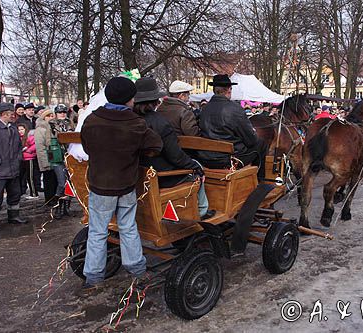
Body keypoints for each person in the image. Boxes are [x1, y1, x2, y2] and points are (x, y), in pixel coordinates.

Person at [80, 76, 163, 292]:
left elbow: (87, 147)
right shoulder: (136, 123)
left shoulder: (92, 119)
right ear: (129, 100)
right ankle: (137, 271)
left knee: (97, 231)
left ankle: (93, 277)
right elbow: (156, 145)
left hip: (100, 185)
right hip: (126, 185)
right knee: (128, 227)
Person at [134, 77, 215, 220]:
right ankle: (202, 210)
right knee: (198, 168)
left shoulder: (130, 118)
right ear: (154, 101)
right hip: (160, 175)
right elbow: (175, 156)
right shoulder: (159, 122)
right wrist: (194, 166)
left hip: (139, 172)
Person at [198, 74, 268, 180]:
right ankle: (259, 181)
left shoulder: (204, 109)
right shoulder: (235, 109)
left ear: (214, 90)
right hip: (227, 159)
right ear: (229, 90)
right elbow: (251, 141)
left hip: (206, 158)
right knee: (261, 143)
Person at [0, 103, 28, 233]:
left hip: (13, 169)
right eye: (11, 113)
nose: (13, 115)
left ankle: (14, 216)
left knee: (15, 194)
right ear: (4, 114)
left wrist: (18, 158)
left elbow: (18, 147)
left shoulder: (13, 129)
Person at [35, 109, 58, 205]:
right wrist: (45, 162)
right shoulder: (40, 129)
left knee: (54, 179)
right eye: (48, 116)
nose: (51, 118)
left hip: (55, 157)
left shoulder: (53, 128)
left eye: (52, 115)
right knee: (48, 180)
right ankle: (49, 199)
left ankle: (54, 197)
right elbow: (40, 147)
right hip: (47, 158)